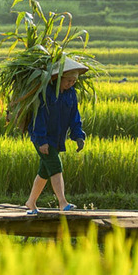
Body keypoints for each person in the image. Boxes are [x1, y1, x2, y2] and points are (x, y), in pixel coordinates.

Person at [24, 57, 87, 215]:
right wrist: (42, 141)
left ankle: (30, 202)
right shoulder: (46, 93)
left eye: (73, 81)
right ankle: (63, 203)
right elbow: (39, 118)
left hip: (57, 138)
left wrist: (78, 136)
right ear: (59, 78)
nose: (71, 84)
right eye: (68, 81)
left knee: (45, 172)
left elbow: (74, 117)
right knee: (56, 166)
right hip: (42, 138)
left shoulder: (71, 94)